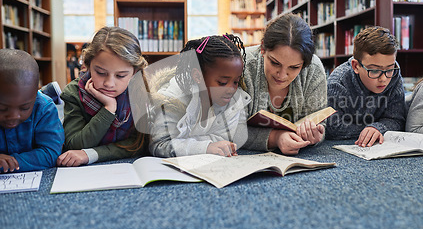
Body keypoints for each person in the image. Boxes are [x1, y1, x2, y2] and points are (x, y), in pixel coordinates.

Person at [57, 26, 148, 167]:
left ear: (135, 72)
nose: (109, 84)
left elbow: (138, 144)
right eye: (100, 72)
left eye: (121, 76)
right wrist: (108, 109)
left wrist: (91, 154)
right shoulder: (74, 93)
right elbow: (75, 145)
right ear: (88, 65)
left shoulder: (141, 91)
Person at [149, 34, 250, 157]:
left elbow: (222, 138)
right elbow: (159, 144)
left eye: (236, 82)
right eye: (222, 82)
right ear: (197, 76)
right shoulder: (172, 99)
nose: (232, 89)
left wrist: (208, 146)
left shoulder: (232, 102)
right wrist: (206, 147)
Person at [243, 13, 327, 155]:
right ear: (262, 49)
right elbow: (229, 129)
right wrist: (275, 138)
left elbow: (320, 122)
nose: (281, 75)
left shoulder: (314, 69)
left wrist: (316, 135)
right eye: (275, 63)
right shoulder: (242, 66)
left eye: (294, 67)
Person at [325, 26, 405, 146]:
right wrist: (369, 130)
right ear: (356, 66)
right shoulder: (338, 83)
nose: (383, 79)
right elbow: (333, 128)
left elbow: (397, 119)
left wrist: (378, 128)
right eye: (374, 70)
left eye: (389, 69)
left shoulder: (394, 73)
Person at [0, 49, 64, 172]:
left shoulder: (44, 108)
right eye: (2, 108)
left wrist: (10, 162)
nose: (13, 116)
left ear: (35, 94)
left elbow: (51, 153)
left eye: (24, 108)